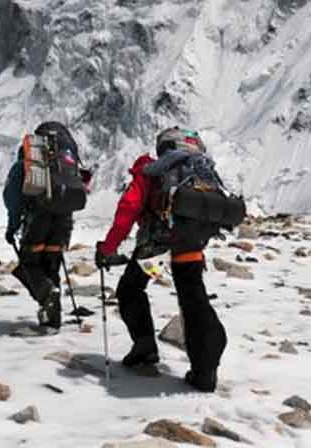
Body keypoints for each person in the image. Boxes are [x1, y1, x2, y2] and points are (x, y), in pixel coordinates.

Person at [96, 127, 228, 393]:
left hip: (156, 247)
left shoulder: (152, 169)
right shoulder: (202, 169)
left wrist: (108, 247)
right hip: (191, 245)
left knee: (131, 289)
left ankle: (144, 347)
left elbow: (129, 208)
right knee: (193, 298)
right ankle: (205, 369)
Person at [3, 121, 85, 334]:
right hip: (64, 222)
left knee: (29, 263)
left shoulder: (26, 166)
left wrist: (12, 227)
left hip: (38, 220)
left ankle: (47, 294)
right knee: (51, 265)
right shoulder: (67, 164)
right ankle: (51, 321)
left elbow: (12, 199)